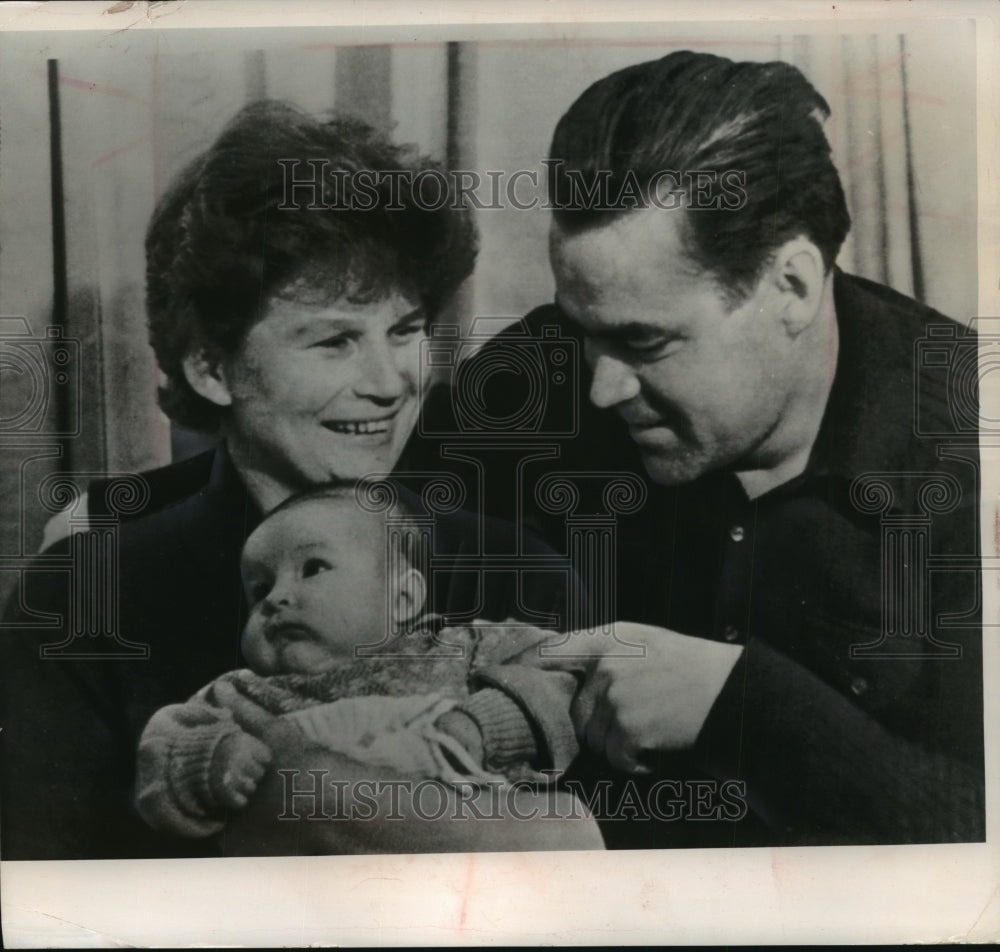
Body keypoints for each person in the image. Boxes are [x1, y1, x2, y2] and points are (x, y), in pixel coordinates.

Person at [411, 50, 985, 847]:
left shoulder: (974, 447)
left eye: (645, 342)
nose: (601, 389)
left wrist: (738, 704)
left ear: (792, 286)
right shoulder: (532, 381)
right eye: (584, 332)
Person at [0, 101, 576, 859]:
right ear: (211, 367)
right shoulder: (76, 596)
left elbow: (583, 876)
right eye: (335, 340)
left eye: (405, 331)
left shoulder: (521, 573)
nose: (391, 381)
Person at [133, 484, 596, 851]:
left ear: (403, 599)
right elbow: (163, 752)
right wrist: (213, 763)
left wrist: (484, 727)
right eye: (259, 589)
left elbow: (559, 675)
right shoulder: (241, 696)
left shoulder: (460, 647)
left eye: (312, 568)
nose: (275, 598)